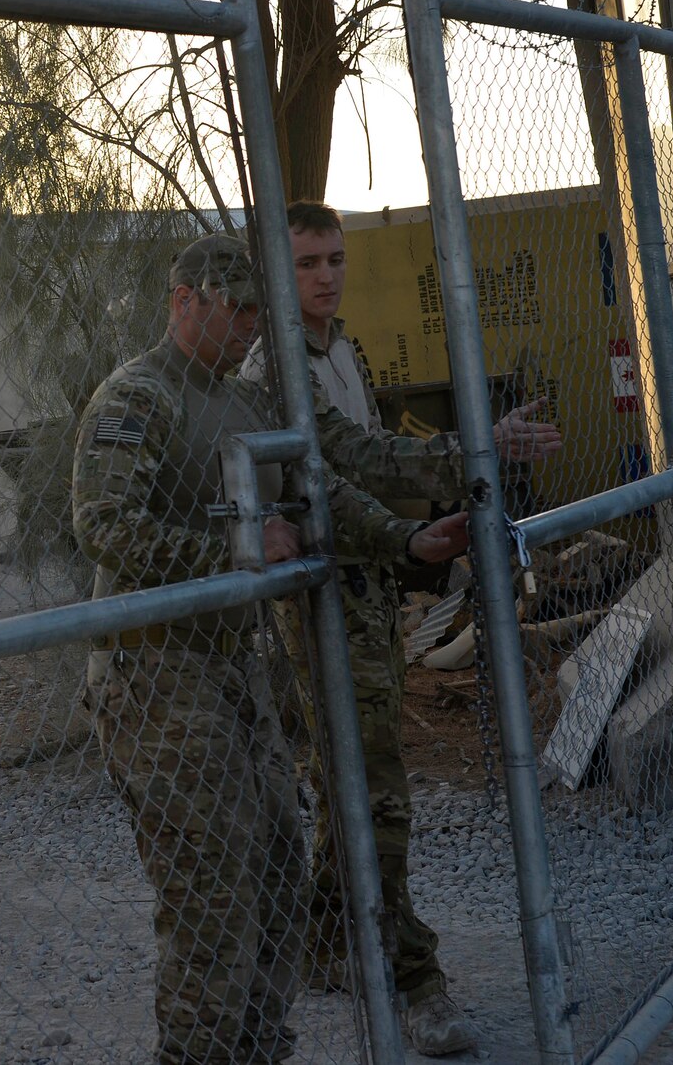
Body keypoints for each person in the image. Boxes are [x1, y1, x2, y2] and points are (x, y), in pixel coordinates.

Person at [71, 229, 473, 1065]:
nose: (255, 324)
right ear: (185, 302)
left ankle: (255, 1044)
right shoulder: (136, 399)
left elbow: (318, 494)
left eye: (260, 309)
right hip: (154, 675)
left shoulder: (246, 403)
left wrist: (408, 542)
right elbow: (105, 526)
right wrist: (238, 551)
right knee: (211, 887)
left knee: (281, 871)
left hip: (229, 667)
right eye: (238, 309)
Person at [235, 201, 563, 1057]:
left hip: (368, 584)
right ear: (279, 269)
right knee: (376, 790)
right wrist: (475, 449)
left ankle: (325, 939)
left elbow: (365, 463)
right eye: (308, 262)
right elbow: (349, 461)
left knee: (353, 781)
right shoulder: (279, 366)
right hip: (325, 598)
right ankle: (415, 977)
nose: (327, 275)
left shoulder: (344, 347)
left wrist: (411, 538)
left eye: (336, 258)